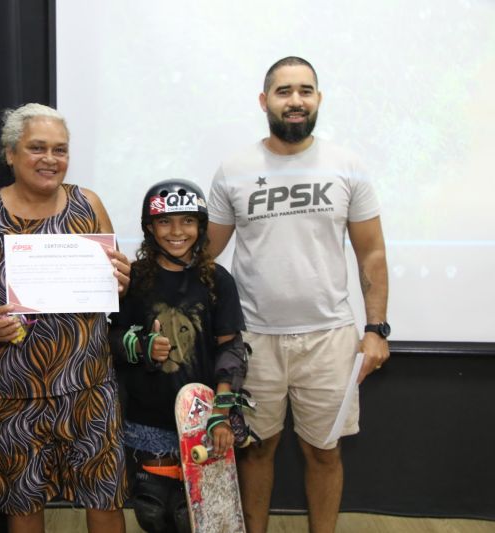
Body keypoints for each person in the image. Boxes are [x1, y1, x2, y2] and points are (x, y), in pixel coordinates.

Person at [206, 56, 390, 533]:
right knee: (256, 448)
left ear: (318, 100)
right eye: (284, 91)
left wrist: (375, 330)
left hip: (328, 338)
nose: (296, 100)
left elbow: (371, 255)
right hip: (254, 339)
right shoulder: (234, 169)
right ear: (265, 101)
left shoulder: (347, 166)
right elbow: (203, 254)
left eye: (305, 91)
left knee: (323, 452)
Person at [0, 103, 131, 533]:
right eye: (37, 148)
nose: (51, 159)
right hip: (11, 392)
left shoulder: (89, 204)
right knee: (23, 505)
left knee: (106, 498)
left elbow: (114, 282)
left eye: (60, 150)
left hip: (89, 386)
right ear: (11, 154)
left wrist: (120, 279)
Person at [109, 179, 255, 533]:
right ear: (149, 227)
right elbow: (111, 337)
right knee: (154, 511)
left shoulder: (218, 280)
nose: (177, 231)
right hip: (149, 417)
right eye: (165, 222)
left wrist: (221, 413)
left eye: (187, 221)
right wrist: (141, 346)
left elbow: (231, 349)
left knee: (190, 516)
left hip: (203, 419)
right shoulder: (134, 278)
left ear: (201, 227)